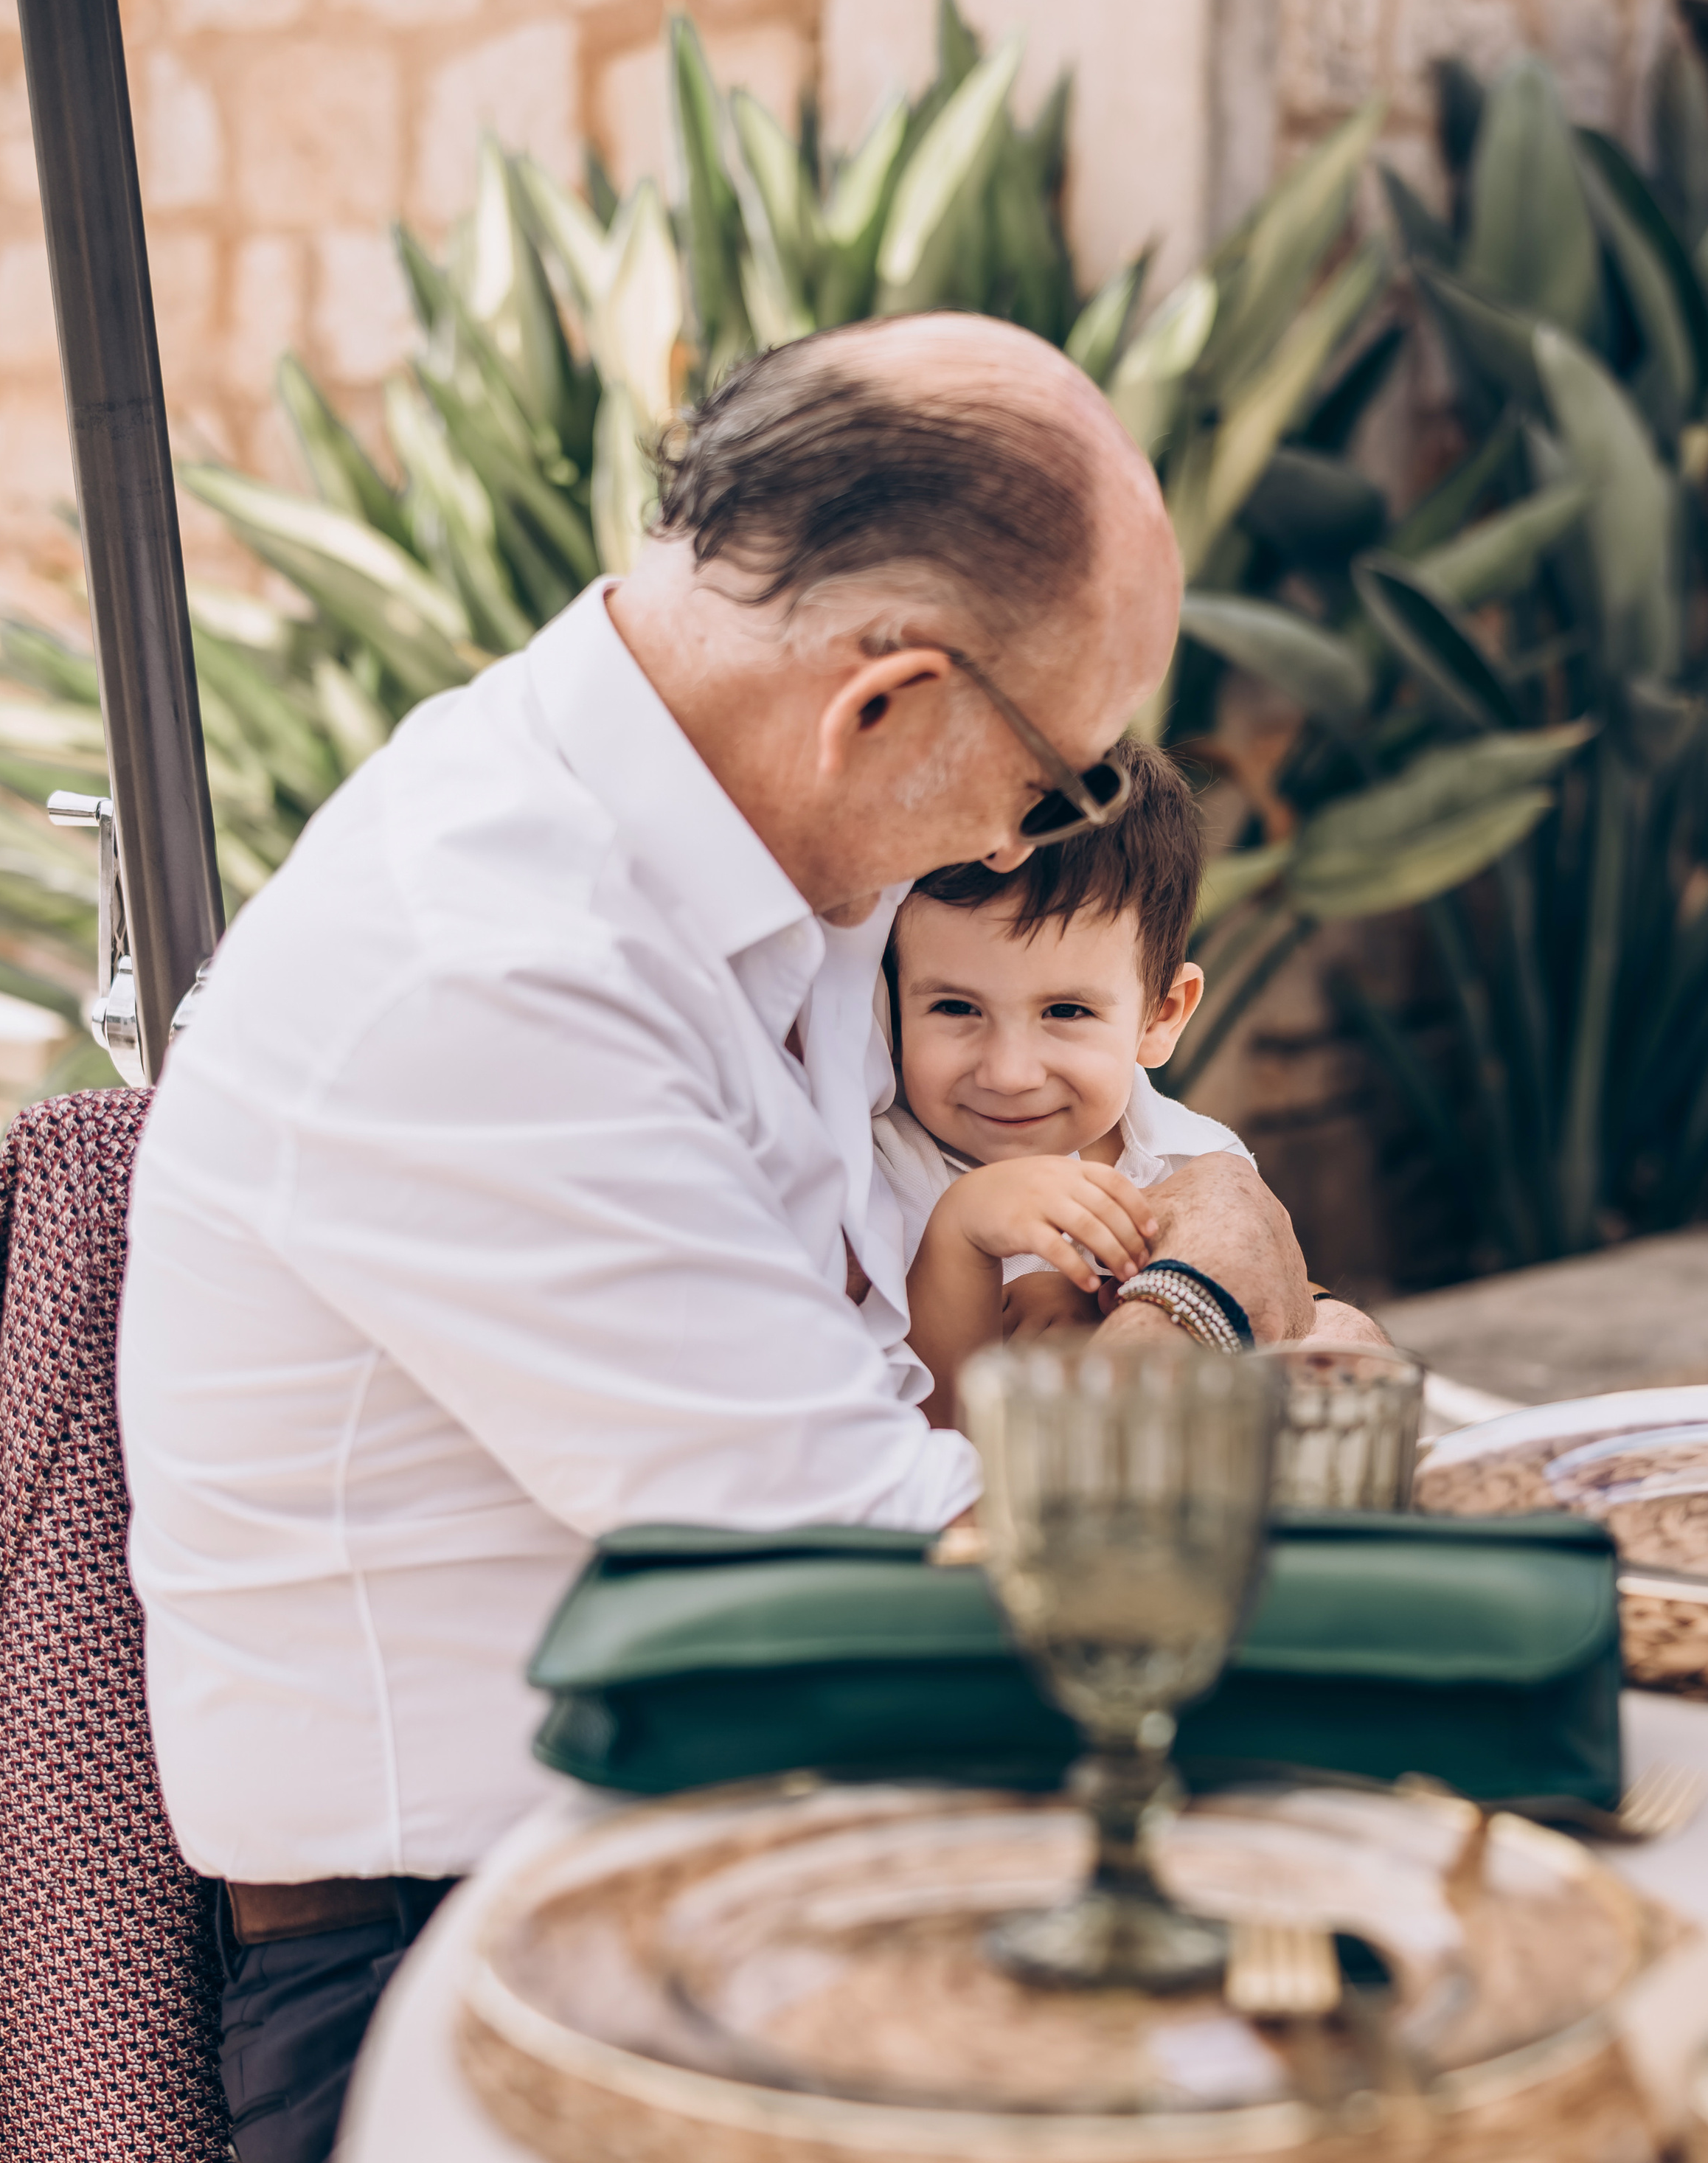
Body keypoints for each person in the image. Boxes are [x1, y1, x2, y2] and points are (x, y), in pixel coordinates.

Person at [119, 313, 1327, 2163]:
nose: (1032, 834)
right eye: (1059, 783)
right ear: (881, 704)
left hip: (743, 1837)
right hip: (462, 1953)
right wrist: (1199, 1301)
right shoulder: (485, 971)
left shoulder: (770, 861)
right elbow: (896, 1572)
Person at [877, 738, 1264, 1425]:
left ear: (1161, 1016)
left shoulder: (1198, 1165)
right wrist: (961, 1234)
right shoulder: (883, 1172)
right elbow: (915, 1430)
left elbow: (1258, 1363)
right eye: (956, 1008)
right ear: (891, 1003)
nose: (1009, 1073)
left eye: (1066, 1011)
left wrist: (1112, 1312)